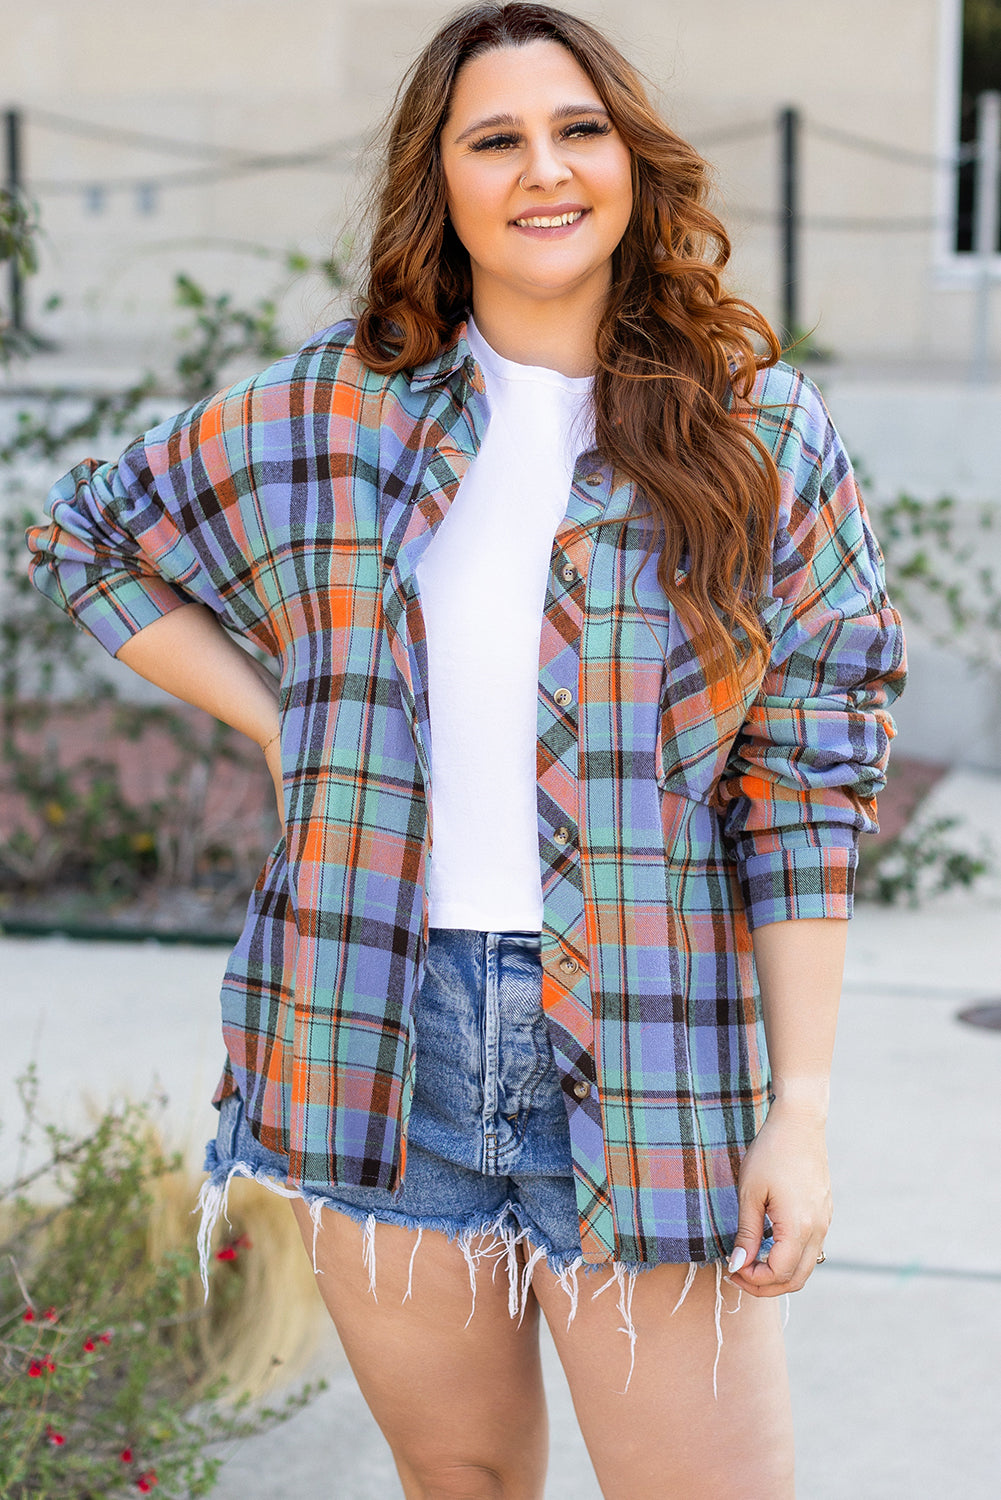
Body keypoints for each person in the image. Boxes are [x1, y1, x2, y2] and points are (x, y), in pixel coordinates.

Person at [26, 4, 906, 1495]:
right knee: (466, 1482)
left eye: (578, 130)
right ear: (438, 183)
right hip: (374, 1031)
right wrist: (289, 719)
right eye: (495, 139)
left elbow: (804, 789)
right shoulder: (334, 412)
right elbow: (87, 536)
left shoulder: (757, 434)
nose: (544, 169)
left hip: (647, 1040)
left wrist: (800, 1113)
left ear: (630, 159)